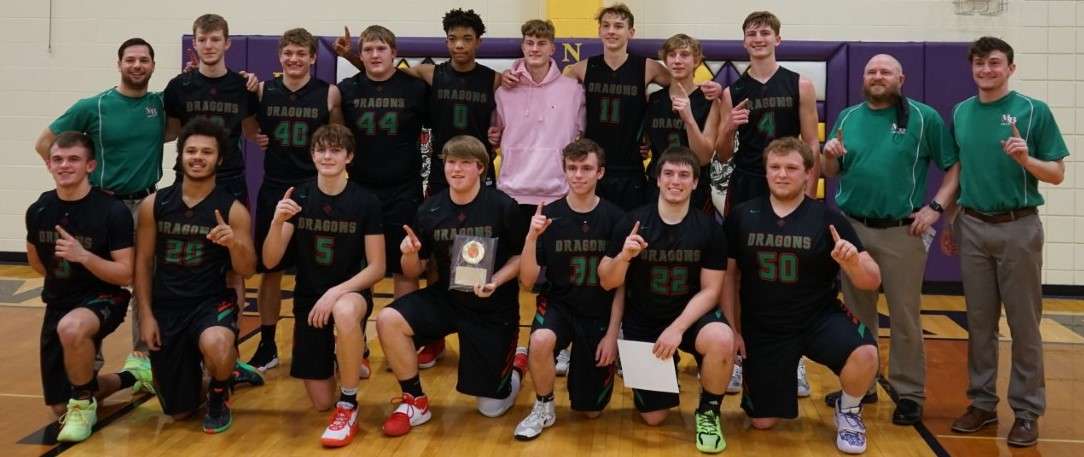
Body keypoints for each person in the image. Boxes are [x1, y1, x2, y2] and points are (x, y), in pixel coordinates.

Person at [941, 36, 1068, 448]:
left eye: (994, 63)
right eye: (979, 63)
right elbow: (960, 169)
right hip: (972, 225)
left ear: (1010, 68)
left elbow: (1056, 174)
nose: (986, 70)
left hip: (1019, 226)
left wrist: (1025, 160)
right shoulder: (960, 112)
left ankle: (1027, 411)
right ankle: (981, 404)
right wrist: (950, 219)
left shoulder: (1033, 111)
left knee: (1024, 324)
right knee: (978, 324)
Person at [820, 54, 959, 425]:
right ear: (863, 78)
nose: (877, 76)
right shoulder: (848, 117)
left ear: (901, 77)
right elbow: (830, 171)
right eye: (871, 71)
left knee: (905, 316)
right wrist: (829, 155)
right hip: (854, 227)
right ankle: (862, 386)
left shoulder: (924, 117)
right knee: (857, 313)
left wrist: (935, 207)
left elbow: (954, 166)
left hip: (902, 230)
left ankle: (909, 393)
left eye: (885, 71)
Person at [723, 137, 880, 454]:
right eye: (775, 167)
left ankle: (849, 411)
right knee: (762, 422)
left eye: (791, 168)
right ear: (765, 172)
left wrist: (852, 263)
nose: (782, 174)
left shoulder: (828, 219)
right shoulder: (742, 215)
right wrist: (733, 328)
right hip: (764, 328)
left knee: (866, 354)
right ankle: (780, 378)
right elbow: (729, 277)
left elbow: (871, 280)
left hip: (817, 318)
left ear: (809, 174)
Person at [375, 135, 528, 437]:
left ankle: (518, 365)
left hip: (491, 306)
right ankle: (414, 399)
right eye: (451, 162)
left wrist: (495, 281)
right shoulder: (429, 210)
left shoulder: (503, 206)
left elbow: (520, 256)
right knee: (388, 319)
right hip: (447, 298)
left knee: (491, 409)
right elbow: (414, 270)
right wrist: (408, 254)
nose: (456, 169)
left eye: (465, 163)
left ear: (480, 168)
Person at [35, 37, 166, 364]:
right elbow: (44, 143)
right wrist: (71, 179)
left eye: (144, 60)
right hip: (105, 205)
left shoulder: (160, 105)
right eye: (130, 60)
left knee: (144, 279)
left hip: (147, 204)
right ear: (119, 64)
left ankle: (143, 358)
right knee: (93, 278)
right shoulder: (92, 106)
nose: (137, 66)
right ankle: (88, 363)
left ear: (153, 65)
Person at [597, 146, 735, 454]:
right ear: (658, 180)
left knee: (722, 338)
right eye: (669, 174)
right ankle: (663, 367)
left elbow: (711, 290)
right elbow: (607, 281)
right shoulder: (632, 222)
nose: (676, 181)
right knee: (653, 417)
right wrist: (624, 256)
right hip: (643, 321)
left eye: (684, 175)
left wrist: (677, 328)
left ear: (696, 183)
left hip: (690, 317)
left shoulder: (709, 229)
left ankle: (709, 411)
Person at [716, 10, 821, 396]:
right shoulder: (732, 91)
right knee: (738, 272)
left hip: (789, 182)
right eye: (751, 33)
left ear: (778, 39)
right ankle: (739, 355)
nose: (757, 38)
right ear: (744, 42)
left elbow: (811, 143)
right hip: (746, 183)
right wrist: (727, 128)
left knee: (791, 274)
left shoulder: (800, 85)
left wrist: (809, 191)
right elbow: (723, 154)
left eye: (764, 32)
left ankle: (795, 361)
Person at [26, 132, 153, 442]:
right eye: (58, 159)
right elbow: (36, 262)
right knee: (58, 405)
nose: (64, 165)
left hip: (105, 296)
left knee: (72, 328)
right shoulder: (39, 209)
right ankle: (129, 376)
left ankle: (83, 404)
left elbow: (125, 274)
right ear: (48, 164)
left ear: (90, 166)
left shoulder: (112, 212)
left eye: (73, 159)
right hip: (60, 302)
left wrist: (83, 257)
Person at [262, 125, 383, 447]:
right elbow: (271, 261)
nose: (327, 156)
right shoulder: (298, 197)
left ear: (349, 156)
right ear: (312, 154)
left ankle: (349, 401)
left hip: (350, 294)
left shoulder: (366, 201)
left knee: (344, 313)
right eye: (321, 150)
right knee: (319, 402)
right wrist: (277, 222)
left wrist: (335, 291)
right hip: (308, 301)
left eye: (335, 150)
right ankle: (346, 355)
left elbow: (378, 267)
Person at [135, 118, 257, 433]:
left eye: (206, 151)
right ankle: (225, 374)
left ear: (220, 159)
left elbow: (247, 269)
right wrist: (145, 316)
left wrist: (234, 243)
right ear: (180, 156)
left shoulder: (233, 210)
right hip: (167, 307)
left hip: (211, 302)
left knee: (217, 343)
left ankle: (218, 393)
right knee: (179, 413)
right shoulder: (155, 205)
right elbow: (144, 263)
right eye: (191, 151)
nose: (198, 157)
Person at [513, 139, 624, 441]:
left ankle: (584, 367)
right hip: (560, 306)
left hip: (598, 311)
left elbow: (620, 286)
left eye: (586, 168)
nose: (578, 175)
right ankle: (543, 405)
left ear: (600, 173)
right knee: (540, 339)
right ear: (564, 171)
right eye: (572, 168)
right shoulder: (549, 216)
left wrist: (613, 334)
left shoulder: (616, 219)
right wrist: (531, 238)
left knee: (590, 412)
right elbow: (527, 280)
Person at [248, 27, 343, 373]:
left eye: (301, 53)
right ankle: (268, 343)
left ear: (313, 58)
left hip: (315, 188)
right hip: (275, 187)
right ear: (280, 56)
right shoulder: (261, 91)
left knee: (319, 269)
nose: (294, 59)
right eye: (288, 52)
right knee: (270, 269)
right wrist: (256, 136)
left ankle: (325, 343)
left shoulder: (328, 94)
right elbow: (248, 126)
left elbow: (337, 136)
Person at [334, 9, 501, 195]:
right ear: (446, 41)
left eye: (467, 38)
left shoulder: (494, 79)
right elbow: (382, 73)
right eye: (453, 38)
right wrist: (350, 55)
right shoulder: (429, 73)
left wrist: (497, 128)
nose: (459, 45)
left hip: (479, 162)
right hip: (442, 164)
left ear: (479, 41)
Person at [163, 13, 260, 312]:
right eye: (202, 39)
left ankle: (230, 335)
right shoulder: (180, 85)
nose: (209, 45)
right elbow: (171, 131)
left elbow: (252, 130)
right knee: (186, 259)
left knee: (233, 260)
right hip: (188, 181)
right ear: (194, 43)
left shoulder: (243, 86)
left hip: (229, 178)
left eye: (215, 39)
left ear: (227, 43)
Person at [338, 25, 430, 303]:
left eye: (381, 49)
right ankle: (357, 333)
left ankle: (403, 331)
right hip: (359, 188)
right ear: (360, 54)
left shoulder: (415, 88)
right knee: (358, 266)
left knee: (405, 264)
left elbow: (444, 125)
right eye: (368, 49)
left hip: (403, 190)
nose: (375, 55)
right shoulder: (347, 89)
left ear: (394, 53)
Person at [491, 19, 586, 212]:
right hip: (511, 192)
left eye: (541, 43)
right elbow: (494, 134)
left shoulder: (573, 91)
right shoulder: (504, 91)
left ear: (552, 48)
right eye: (530, 43)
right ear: (523, 47)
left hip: (559, 193)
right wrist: (492, 136)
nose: (535, 49)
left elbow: (583, 138)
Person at [644, 34, 722, 213]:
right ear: (665, 60)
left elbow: (703, 157)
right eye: (672, 55)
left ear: (696, 61)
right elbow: (647, 143)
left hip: (694, 186)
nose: (677, 60)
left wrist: (688, 119)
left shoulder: (709, 101)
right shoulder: (653, 100)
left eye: (684, 55)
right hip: (658, 184)